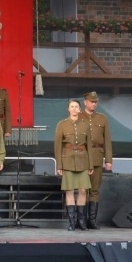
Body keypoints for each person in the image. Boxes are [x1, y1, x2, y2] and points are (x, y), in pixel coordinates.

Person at [54, 99, 93, 231]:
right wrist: (59, 165)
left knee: (83, 190)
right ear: (68, 109)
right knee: (69, 191)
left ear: (80, 109)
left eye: (76, 106)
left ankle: (81, 221)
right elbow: (58, 147)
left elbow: (89, 146)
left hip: (83, 160)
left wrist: (91, 165)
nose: (74, 109)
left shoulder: (85, 125)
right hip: (68, 160)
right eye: (72, 106)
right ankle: (71, 222)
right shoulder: (62, 125)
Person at [80, 91, 113, 229]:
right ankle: (81, 220)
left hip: (97, 155)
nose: (94, 104)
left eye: (95, 102)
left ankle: (92, 220)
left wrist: (109, 160)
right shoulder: (78, 117)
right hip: (82, 156)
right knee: (82, 189)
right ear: (85, 102)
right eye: (91, 101)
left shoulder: (102, 118)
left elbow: (107, 140)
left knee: (94, 189)